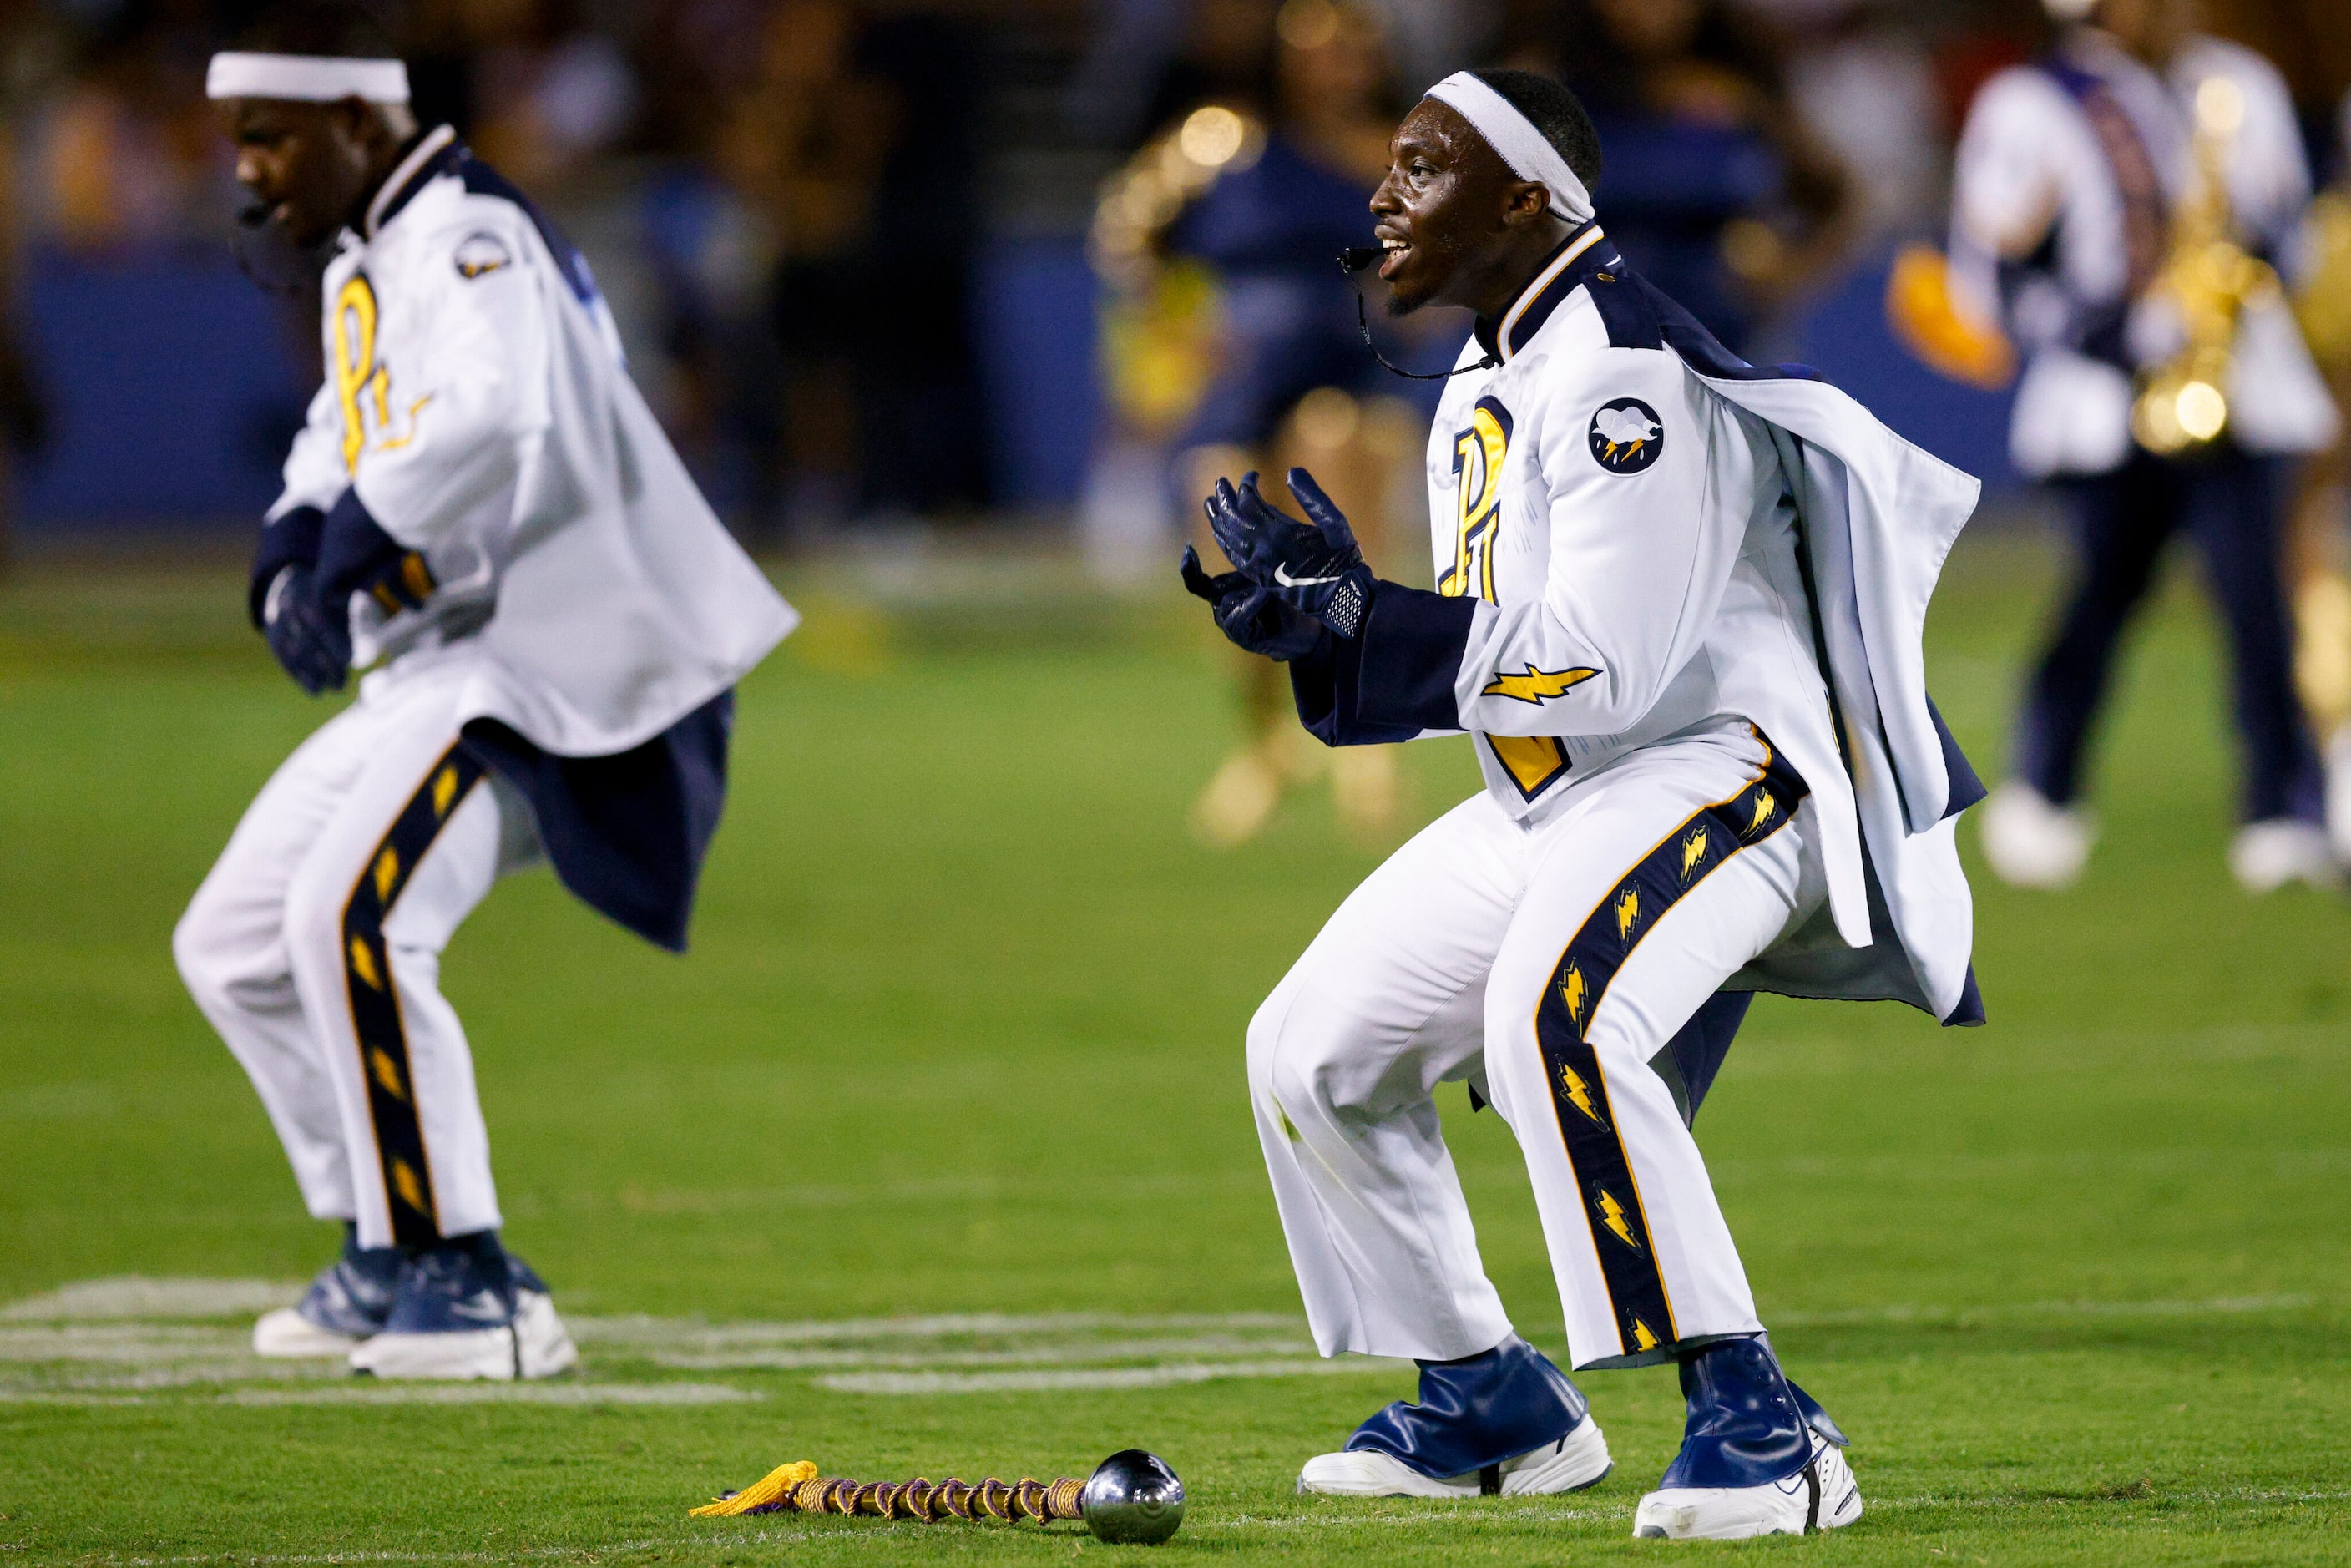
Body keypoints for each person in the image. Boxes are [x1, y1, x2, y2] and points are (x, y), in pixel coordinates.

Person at [1184, 67, 1984, 1540]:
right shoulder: (1492, 365)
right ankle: (1490, 1399)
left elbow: (1606, 665)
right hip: (1574, 795)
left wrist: (1380, 623)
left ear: (1524, 197)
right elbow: (1506, 656)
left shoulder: (1618, 363)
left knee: (1558, 1013)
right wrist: (1335, 632)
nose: (1382, 194)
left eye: (1423, 169)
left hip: (1734, 770)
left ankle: (1765, 1424)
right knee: (1311, 1048)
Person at [174, 3, 796, 1380]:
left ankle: (479, 1282)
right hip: (460, 659)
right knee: (233, 940)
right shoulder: (378, 253)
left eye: (270, 136)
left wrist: (346, 551)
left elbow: (491, 411)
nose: (251, 169)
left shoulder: (468, 227)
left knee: (353, 911)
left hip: (563, 659)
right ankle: (388, 1239)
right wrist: (291, 548)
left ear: (353, 122)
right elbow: (351, 424)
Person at [1951, 0, 2339, 891]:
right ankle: (2043, 787)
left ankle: (2279, 811)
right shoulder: (2031, 100)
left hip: (2240, 388)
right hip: (2100, 400)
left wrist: (2232, 280)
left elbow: (2292, 229)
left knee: (2257, 604)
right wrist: (2119, 334)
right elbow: (1991, 273)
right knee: (2100, 595)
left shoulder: (2236, 82)